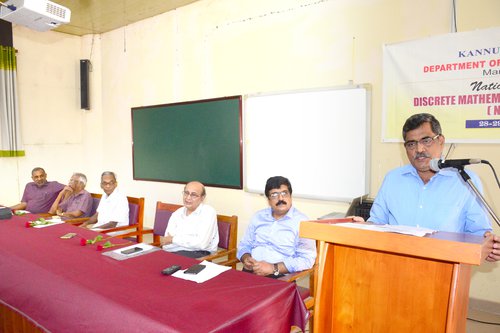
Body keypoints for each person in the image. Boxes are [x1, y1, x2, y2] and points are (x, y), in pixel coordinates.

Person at [367, 113, 499, 262]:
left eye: (426, 140)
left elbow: (478, 233)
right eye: (411, 144)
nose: (419, 149)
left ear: (441, 141)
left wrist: (489, 247)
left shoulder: (465, 180)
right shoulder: (393, 179)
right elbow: (376, 223)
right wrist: (358, 227)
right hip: (394, 268)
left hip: (446, 272)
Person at [237, 176, 316, 277]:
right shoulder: (258, 217)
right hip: (250, 271)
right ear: (269, 200)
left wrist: (273, 268)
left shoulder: (303, 222)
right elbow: (244, 244)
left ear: (290, 196)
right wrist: (245, 258)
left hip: (278, 275)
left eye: (284, 193)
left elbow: (306, 259)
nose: (280, 198)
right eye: (274, 195)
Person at [160, 181, 219, 258]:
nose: (188, 197)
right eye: (186, 193)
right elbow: (166, 243)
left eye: (193, 195)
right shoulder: (177, 213)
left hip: (198, 254)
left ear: (202, 198)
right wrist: (188, 240)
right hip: (173, 252)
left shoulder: (208, 212)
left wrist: (173, 239)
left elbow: (202, 244)